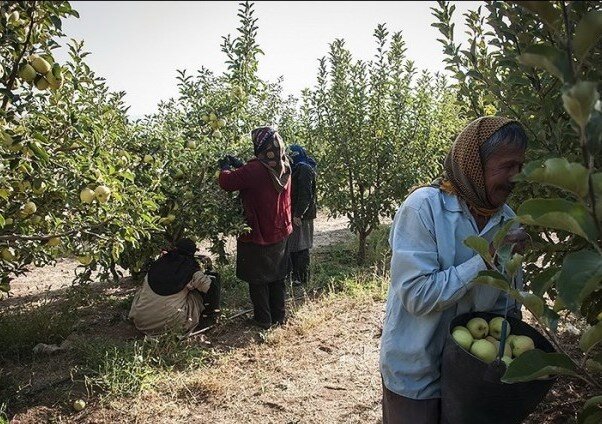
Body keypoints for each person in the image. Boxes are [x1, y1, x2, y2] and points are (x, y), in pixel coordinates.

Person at [379, 116, 530, 423]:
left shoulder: (507, 220)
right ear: (475, 164)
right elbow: (417, 296)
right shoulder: (423, 208)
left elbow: (507, 303)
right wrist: (485, 258)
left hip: (473, 377)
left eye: (520, 166)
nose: (516, 177)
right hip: (417, 372)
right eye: (507, 166)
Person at [218, 126, 293, 330]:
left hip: (258, 232)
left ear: (260, 145)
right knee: (277, 275)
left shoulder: (255, 169)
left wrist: (225, 167)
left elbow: (227, 182)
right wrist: (241, 166)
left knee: (257, 278)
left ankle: (263, 319)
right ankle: (279, 316)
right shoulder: (284, 165)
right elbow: (262, 180)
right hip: (280, 231)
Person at [128, 238, 221, 336]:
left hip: (141, 323)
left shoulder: (157, 264)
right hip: (170, 325)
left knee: (141, 291)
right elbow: (211, 288)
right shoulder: (190, 270)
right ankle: (209, 318)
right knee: (197, 292)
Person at [287, 144, 318, 286]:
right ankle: (296, 276)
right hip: (295, 213)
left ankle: (302, 277)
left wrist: (299, 214)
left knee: (301, 245)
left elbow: (305, 194)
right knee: (294, 245)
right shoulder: (297, 168)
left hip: (302, 214)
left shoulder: (304, 168)